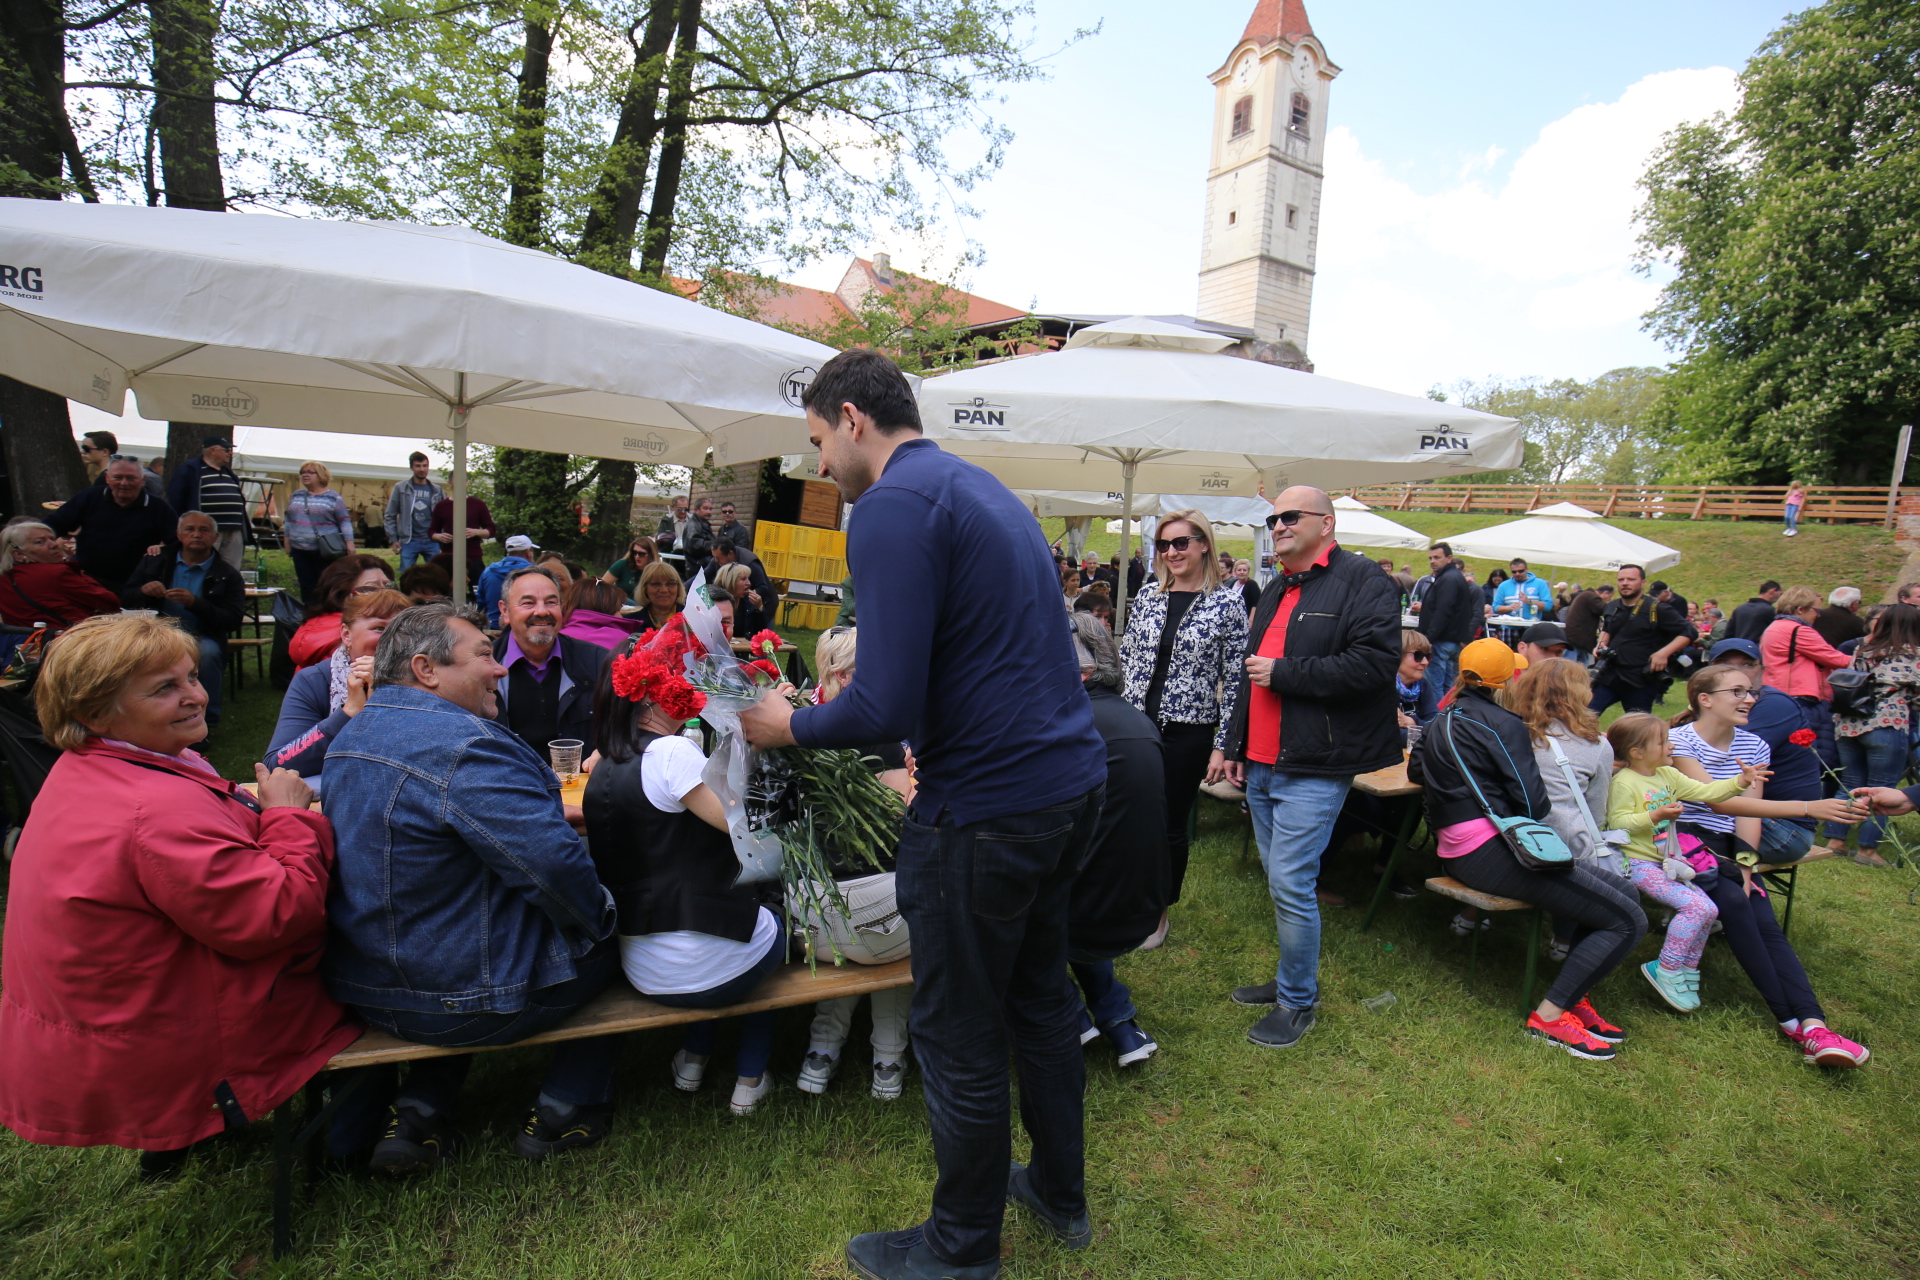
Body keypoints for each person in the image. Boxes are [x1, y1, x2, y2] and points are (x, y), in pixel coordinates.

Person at [737, 347, 1105, 1280]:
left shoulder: (894, 506)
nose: (820, 465)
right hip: (1068, 787)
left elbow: (883, 705)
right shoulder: (983, 489)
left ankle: (959, 1248)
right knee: (1039, 1000)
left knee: (956, 1030)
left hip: (987, 808)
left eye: (818, 441)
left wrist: (788, 724)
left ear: (853, 418)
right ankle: (1061, 1193)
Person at [0, 614, 358, 1178]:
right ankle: (361, 1140)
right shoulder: (152, 808)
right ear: (94, 712)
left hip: (115, 1019)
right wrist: (288, 818)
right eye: (165, 688)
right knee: (383, 964)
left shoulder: (99, 765)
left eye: (191, 676)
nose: (196, 695)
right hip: (173, 1034)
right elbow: (275, 915)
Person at [323, 602, 619, 1169]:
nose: (500, 666)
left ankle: (419, 1110)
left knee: (476, 935)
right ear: (425, 669)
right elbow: (554, 869)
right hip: (459, 999)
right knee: (621, 931)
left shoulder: (354, 735)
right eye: (484, 654)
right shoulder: (467, 746)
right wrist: (603, 914)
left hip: (366, 986)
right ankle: (568, 1106)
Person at [576, 622, 786, 1117]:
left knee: (729, 924)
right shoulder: (671, 752)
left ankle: (694, 1058)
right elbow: (748, 831)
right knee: (780, 912)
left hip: (643, 967)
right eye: (679, 674)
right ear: (653, 693)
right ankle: (750, 1078)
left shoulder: (603, 765)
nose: (690, 683)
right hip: (704, 968)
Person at [1219, 486, 1399, 1051]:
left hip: (1317, 763)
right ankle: (1289, 979)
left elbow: (1374, 664)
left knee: (1292, 882)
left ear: (1327, 522)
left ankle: (1298, 1002)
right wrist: (1233, 744)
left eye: (1289, 516)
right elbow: (1253, 675)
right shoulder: (1279, 585)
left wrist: (1287, 673)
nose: (1277, 525)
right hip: (1267, 761)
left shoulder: (1363, 579)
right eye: (1273, 518)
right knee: (1282, 883)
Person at [1408, 639, 1648, 1061]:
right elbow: (1534, 803)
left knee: (1624, 895)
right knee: (1628, 920)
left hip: (1460, 847)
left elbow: (1416, 769)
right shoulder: (1504, 723)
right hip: (1489, 851)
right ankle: (1551, 1017)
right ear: (1509, 679)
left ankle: (1574, 997)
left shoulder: (1443, 717)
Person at [1664, 666, 1872, 1067]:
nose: (1750, 699)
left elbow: (1749, 816)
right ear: (1704, 699)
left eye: (1751, 691)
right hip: (1685, 839)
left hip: (1726, 847)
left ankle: (1814, 1025)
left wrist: (1746, 865)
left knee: (1764, 919)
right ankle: (1791, 1022)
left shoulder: (1755, 745)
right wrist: (1810, 807)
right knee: (1738, 907)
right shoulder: (1680, 741)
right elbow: (1718, 801)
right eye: (1737, 691)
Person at [792, 626, 916, 1100]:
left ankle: (821, 1052)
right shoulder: (885, 743)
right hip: (878, 921)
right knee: (898, 910)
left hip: (811, 920)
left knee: (854, 912)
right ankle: (888, 1059)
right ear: (844, 677)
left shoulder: (796, 731)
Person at [1119, 508, 1247, 935]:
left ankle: (1158, 912)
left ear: (1203, 544)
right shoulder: (1150, 597)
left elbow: (1235, 682)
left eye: (1180, 543)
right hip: (1135, 726)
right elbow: (1127, 661)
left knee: (1169, 823)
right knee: (1128, 816)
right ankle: (1125, 897)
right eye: (1162, 545)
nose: (1171, 552)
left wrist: (1223, 744)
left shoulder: (1227, 603)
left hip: (1187, 731)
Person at [1065, 612, 1169, 1068]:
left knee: (989, 898)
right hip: (1142, 907)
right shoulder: (1139, 721)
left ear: (1082, 671)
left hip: (1090, 915)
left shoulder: (1067, 724)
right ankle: (1120, 1025)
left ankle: (1065, 1012)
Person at [1604, 712, 1760, 1012]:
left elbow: (1706, 792)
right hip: (1637, 863)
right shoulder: (1625, 783)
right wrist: (1656, 816)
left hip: (1664, 863)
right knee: (1697, 906)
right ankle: (1667, 968)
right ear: (1637, 752)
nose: (1671, 746)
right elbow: (1617, 823)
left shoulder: (1668, 776)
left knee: (1710, 909)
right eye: (1663, 741)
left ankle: (1687, 967)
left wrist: (1740, 781)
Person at [1510, 657, 1617, 961]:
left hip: (1509, 838)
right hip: (1564, 846)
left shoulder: (1510, 731)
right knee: (1582, 850)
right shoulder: (1596, 745)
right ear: (1581, 692)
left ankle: (1472, 917)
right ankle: (1564, 939)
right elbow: (1596, 811)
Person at [262, 588, 412, 791]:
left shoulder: (430, 681)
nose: (393, 639)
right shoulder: (315, 680)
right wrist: (348, 712)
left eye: (403, 630)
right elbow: (277, 765)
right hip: (337, 799)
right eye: (379, 628)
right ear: (346, 635)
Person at [120, 513, 245, 732]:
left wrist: (196, 603)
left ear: (215, 536)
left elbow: (232, 620)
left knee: (207, 653)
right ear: (179, 534)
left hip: (201, 636)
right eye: (190, 529)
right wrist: (143, 591)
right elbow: (125, 598)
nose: (196, 534)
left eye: (204, 530)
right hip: (152, 635)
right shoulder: (156, 560)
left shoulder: (227, 574)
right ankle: (135, 715)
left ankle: (206, 721)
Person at [1827, 604, 1920, 867]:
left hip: (1848, 723)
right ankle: (1867, 850)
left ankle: (1835, 839)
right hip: (1886, 724)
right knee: (1882, 788)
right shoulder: (1913, 654)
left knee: (1850, 782)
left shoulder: (1862, 649)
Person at [492, 566, 611, 763]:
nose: (541, 611)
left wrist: (606, 751)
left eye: (551, 602)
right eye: (528, 603)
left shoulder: (597, 662)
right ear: (505, 611)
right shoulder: (483, 666)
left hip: (577, 787)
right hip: (506, 785)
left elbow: (626, 725)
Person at [45, 457, 179, 590]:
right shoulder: (89, 497)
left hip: (133, 584)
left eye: (131, 478)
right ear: (107, 477)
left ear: (143, 480)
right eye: (118, 477)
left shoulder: (158, 507)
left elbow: (177, 540)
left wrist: (162, 551)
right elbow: (54, 524)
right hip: (87, 579)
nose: (124, 483)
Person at [1760, 586, 1849, 775]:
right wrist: (1867, 660)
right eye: (1816, 610)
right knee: (1818, 755)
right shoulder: (1798, 630)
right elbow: (1835, 659)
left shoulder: (1775, 627)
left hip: (1778, 691)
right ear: (1801, 609)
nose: (1818, 616)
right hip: (1803, 696)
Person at [1590, 564, 1691, 715]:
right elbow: (1607, 630)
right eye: (1621, 579)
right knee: (1583, 717)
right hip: (1609, 675)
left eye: (1631, 579)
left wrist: (1663, 653)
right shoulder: (1612, 606)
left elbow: (1689, 631)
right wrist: (1600, 644)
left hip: (1640, 679)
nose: (1625, 583)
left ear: (1643, 583)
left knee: (1637, 730)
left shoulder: (1657, 609)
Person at [0, 521, 122, 629]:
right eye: (40, 542)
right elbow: (110, 603)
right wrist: (77, 573)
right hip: (66, 644)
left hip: (20, 646)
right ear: (18, 554)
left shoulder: (4, 578)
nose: (54, 545)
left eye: (52, 539)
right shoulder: (56, 573)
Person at [289, 555, 397, 671]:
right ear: (342, 595)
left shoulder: (316, 627)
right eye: (371, 588)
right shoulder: (351, 642)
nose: (386, 594)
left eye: (388, 586)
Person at [165, 436, 249, 569]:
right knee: (204, 564)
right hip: (206, 530)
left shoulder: (228, 472)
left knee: (231, 568)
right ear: (213, 450)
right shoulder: (190, 470)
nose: (230, 453)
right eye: (226, 449)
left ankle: (227, 589)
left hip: (233, 529)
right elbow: (176, 499)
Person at [284, 461, 356, 602]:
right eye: (302, 472)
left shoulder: (333, 497)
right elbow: (288, 519)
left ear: (321, 475)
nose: (305, 475)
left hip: (324, 550)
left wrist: (350, 543)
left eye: (310, 472)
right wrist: (287, 541)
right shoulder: (296, 495)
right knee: (306, 585)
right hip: (300, 549)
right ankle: (309, 615)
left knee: (324, 584)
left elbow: (344, 521)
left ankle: (326, 614)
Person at [1416, 542, 1476, 706]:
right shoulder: (1452, 577)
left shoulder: (1448, 579)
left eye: (1437, 557)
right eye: (1430, 558)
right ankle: (1445, 716)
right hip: (1451, 640)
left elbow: (1443, 610)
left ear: (1449, 558)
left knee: (1435, 685)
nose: (1432, 561)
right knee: (1447, 686)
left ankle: (1436, 720)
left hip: (1441, 640)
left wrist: (1428, 639)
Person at [383, 453, 446, 571]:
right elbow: (390, 514)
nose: (422, 469)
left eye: (424, 466)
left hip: (432, 539)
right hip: (409, 540)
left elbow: (446, 515)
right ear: (412, 467)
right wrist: (394, 539)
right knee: (406, 574)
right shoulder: (401, 488)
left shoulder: (437, 490)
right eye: (418, 466)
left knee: (436, 574)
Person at [710, 537, 776, 633]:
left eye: (748, 578)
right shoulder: (715, 604)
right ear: (730, 582)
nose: (749, 583)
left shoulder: (747, 603)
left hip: (768, 603)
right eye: (743, 579)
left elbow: (760, 633)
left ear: (730, 553)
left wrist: (758, 609)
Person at [561, 579, 648, 651]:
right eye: (618, 609)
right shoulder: (622, 642)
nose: (621, 616)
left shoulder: (555, 635)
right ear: (609, 608)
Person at [428, 490, 495, 582]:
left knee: (476, 589)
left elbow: (491, 530)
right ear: (450, 483)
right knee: (447, 590)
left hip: (473, 556)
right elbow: (432, 531)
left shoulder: (478, 504)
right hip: (449, 557)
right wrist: (439, 536)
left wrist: (476, 532)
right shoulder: (442, 505)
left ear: (467, 483)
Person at [477, 534, 540, 627]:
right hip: (525, 626)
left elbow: (480, 604)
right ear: (528, 552)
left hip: (494, 627)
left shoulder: (489, 571)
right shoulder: (537, 573)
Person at [1395, 629, 1441, 729]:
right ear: (1398, 655)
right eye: (1418, 655)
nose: (1425, 662)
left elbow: (1434, 726)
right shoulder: (1382, 686)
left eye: (1427, 656)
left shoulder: (1424, 685)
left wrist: (1412, 722)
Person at [632, 560, 686, 636]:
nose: (664, 590)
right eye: (656, 584)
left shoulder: (694, 621)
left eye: (670, 584)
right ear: (645, 589)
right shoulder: (631, 623)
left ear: (678, 588)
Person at [1492, 558, 1552, 623]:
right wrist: (1509, 608)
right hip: (1509, 626)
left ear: (1526, 570)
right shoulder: (1504, 585)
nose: (1517, 574)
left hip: (1531, 626)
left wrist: (1529, 602)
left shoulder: (1540, 583)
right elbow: (1495, 607)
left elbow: (1548, 606)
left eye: (1521, 571)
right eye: (1514, 572)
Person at [601, 535, 660, 600]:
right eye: (634, 552)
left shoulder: (657, 571)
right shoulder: (623, 564)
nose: (637, 556)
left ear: (651, 555)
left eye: (642, 554)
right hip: (623, 604)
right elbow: (601, 586)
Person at [679, 497, 716, 577]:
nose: (709, 512)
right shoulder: (694, 525)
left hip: (702, 567)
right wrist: (716, 545)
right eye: (705, 508)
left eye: (710, 509)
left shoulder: (703, 524)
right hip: (697, 569)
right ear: (696, 510)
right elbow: (695, 545)